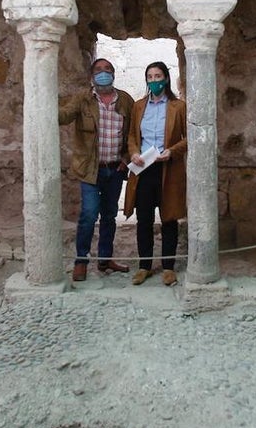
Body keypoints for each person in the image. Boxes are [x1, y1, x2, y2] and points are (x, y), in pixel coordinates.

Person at [59, 57, 135, 282]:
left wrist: (126, 158)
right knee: (89, 214)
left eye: (108, 69)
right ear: (92, 76)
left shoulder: (126, 100)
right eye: (99, 70)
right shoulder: (83, 99)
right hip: (90, 169)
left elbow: (133, 133)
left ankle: (105, 259)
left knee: (110, 215)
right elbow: (64, 116)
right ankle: (81, 261)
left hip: (116, 169)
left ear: (114, 74)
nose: (104, 73)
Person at [124, 61, 187, 287]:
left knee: (169, 217)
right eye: (150, 77)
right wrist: (133, 153)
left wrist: (172, 151)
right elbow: (132, 135)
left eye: (158, 76)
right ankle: (144, 266)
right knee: (144, 219)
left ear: (166, 78)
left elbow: (189, 138)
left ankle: (168, 267)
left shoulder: (178, 107)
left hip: (168, 168)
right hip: (144, 168)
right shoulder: (139, 106)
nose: (154, 80)